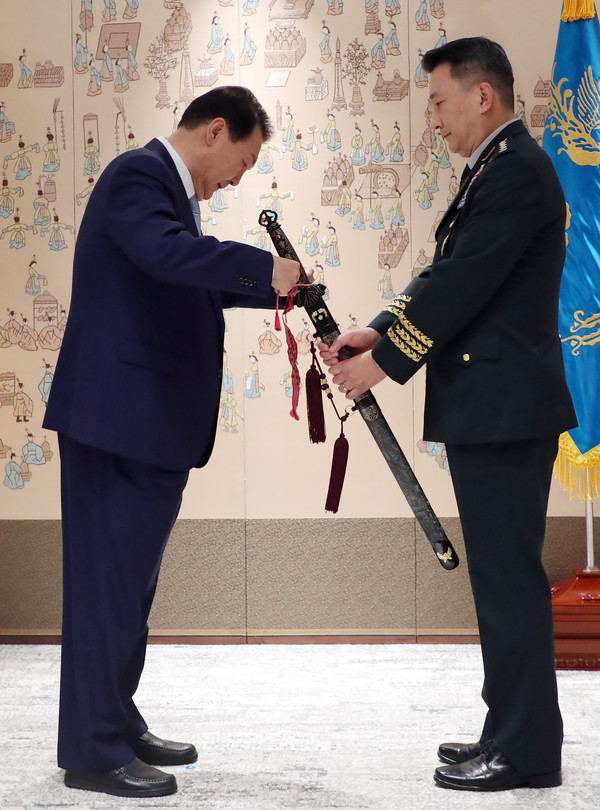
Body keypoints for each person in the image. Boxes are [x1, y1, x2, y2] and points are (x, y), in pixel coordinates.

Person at [318, 37, 576, 792]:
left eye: (437, 99)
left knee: (509, 582)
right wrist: (378, 326)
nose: (432, 115)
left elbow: (463, 283)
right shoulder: (497, 170)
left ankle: (527, 752)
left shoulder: (519, 172)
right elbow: (442, 276)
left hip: (504, 411)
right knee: (499, 581)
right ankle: (507, 730)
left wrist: (384, 362)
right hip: (491, 407)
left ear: (482, 96)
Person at [43, 86, 300, 799]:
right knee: (107, 591)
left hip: (144, 427)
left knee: (130, 592)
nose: (238, 178)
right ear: (216, 131)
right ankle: (92, 752)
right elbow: (171, 257)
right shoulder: (137, 176)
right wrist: (259, 266)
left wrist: (280, 288)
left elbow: (185, 275)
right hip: (115, 424)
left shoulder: (166, 197)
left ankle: (116, 720)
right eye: (242, 160)